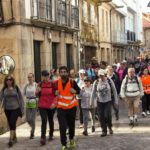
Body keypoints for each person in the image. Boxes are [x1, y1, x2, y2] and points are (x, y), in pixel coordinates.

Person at [55, 66, 80, 150]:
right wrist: (55, 93)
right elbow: (52, 92)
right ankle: (64, 144)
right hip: (61, 108)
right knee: (62, 126)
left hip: (71, 107)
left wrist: (75, 91)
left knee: (71, 125)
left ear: (67, 73)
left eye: (64, 72)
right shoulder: (56, 82)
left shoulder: (72, 82)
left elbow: (79, 91)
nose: (63, 73)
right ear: (59, 73)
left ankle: (71, 138)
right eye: (61, 72)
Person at [91, 69, 118, 137]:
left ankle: (110, 127)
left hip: (108, 101)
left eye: (102, 76)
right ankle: (104, 130)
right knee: (101, 117)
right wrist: (91, 102)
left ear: (105, 75)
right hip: (99, 101)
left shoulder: (109, 81)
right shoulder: (96, 82)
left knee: (107, 115)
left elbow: (114, 90)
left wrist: (116, 100)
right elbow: (93, 92)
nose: (101, 77)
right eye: (100, 76)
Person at [0, 75, 24, 147]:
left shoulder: (15, 88)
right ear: (5, 81)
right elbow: (1, 97)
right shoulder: (4, 89)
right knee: (11, 123)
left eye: (10, 80)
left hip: (16, 108)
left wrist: (22, 108)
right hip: (7, 109)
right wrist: (2, 105)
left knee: (12, 121)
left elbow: (20, 98)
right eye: (7, 80)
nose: (9, 81)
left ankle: (10, 139)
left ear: (12, 81)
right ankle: (14, 137)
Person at [36, 70, 57, 145]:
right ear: (42, 76)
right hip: (42, 105)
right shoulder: (40, 84)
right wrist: (37, 91)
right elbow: (36, 94)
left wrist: (54, 103)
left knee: (51, 120)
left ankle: (51, 134)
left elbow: (56, 94)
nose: (46, 77)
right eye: (45, 76)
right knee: (44, 120)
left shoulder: (53, 83)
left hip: (51, 106)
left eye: (47, 75)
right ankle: (43, 137)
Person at [24, 73, 37, 139]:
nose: (29, 78)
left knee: (32, 119)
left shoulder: (35, 85)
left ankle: (32, 132)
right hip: (28, 103)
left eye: (30, 77)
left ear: (33, 77)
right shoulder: (26, 85)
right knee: (28, 119)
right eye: (28, 77)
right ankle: (33, 127)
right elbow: (24, 93)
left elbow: (38, 94)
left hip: (34, 102)